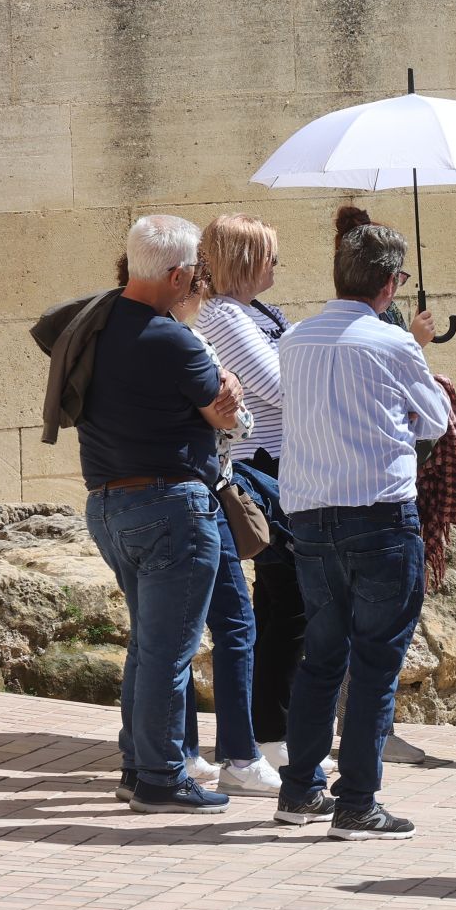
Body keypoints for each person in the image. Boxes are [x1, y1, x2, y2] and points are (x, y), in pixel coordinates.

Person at [273, 210, 448, 838]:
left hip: (309, 517)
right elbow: (435, 420)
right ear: (391, 283)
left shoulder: (294, 339)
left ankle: (300, 791)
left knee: (321, 657)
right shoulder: (393, 342)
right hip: (379, 515)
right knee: (375, 664)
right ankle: (356, 802)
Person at [78, 215, 241, 815]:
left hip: (108, 504)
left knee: (147, 646)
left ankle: (137, 767)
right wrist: (228, 389)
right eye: (197, 271)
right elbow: (226, 416)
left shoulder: (94, 324)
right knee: (168, 652)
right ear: (177, 275)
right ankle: (159, 777)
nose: (199, 280)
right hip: (172, 505)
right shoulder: (173, 340)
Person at [193, 213, 307, 776]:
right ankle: (269, 730)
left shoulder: (261, 312)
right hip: (259, 470)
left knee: (289, 599)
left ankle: (273, 726)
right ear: (242, 261)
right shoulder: (222, 316)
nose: (276, 265)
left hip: (287, 466)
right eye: (268, 255)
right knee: (282, 599)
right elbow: (284, 387)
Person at [167, 258, 280, 797]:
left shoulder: (118, 337)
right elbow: (239, 421)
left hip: (135, 495)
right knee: (235, 625)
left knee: (169, 634)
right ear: (188, 287)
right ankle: (239, 754)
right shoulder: (190, 343)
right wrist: (231, 401)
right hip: (201, 495)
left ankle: (182, 751)